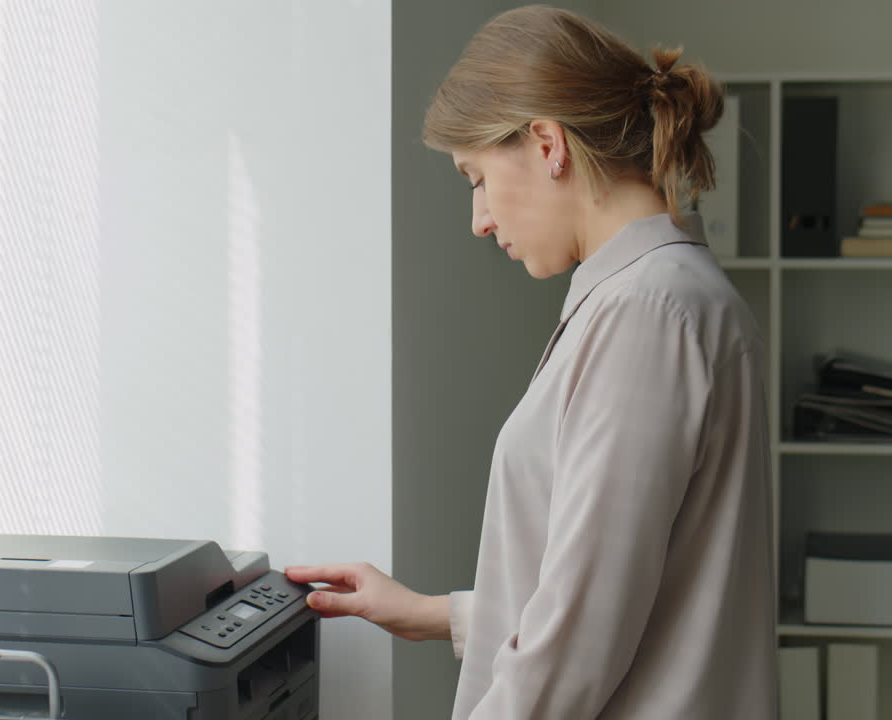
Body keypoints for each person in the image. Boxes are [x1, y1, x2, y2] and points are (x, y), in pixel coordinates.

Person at [285, 6, 776, 718]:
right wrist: (434, 613)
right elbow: (624, 590)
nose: (479, 220)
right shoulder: (660, 297)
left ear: (548, 144)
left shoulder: (646, 311)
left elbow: (578, 643)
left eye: (476, 178)